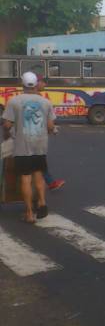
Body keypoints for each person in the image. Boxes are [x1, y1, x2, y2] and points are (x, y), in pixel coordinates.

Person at [2, 71, 56, 223]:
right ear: (35, 84)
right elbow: (51, 126)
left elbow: (7, 124)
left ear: (22, 84)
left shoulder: (14, 101)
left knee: (25, 179)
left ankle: (29, 213)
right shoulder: (45, 102)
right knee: (38, 175)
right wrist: (50, 130)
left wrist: (7, 131)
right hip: (40, 145)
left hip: (22, 146)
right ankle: (42, 202)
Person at [36, 76, 65, 191]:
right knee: (38, 162)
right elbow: (49, 124)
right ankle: (41, 198)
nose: (45, 85)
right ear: (36, 83)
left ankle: (50, 182)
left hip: (22, 137)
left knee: (35, 163)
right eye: (43, 82)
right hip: (37, 138)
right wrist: (53, 129)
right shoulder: (43, 101)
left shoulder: (18, 99)